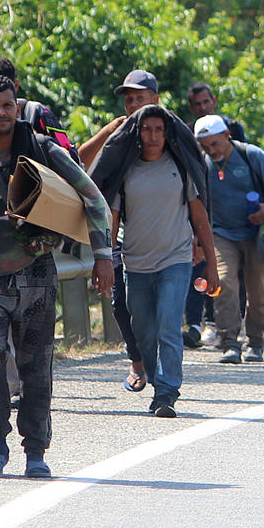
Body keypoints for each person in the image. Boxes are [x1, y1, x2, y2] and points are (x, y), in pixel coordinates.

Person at [0, 75, 114, 478]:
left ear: (16, 106)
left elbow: (93, 198)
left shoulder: (43, 150)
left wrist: (103, 256)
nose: (2, 113)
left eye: (8, 105)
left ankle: (35, 450)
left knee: (36, 365)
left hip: (37, 274)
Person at [93, 105, 216, 415]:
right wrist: (104, 258)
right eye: (146, 129)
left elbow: (200, 219)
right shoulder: (127, 171)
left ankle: (166, 391)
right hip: (136, 263)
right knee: (144, 331)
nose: (152, 136)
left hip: (175, 260)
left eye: (158, 130)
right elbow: (113, 219)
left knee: (169, 326)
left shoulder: (180, 168)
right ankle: (153, 373)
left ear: (166, 133)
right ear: (138, 134)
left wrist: (212, 263)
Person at [80, 71, 159, 382]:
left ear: (155, 99)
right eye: (129, 99)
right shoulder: (117, 135)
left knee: (157, 307)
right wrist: (108, 131)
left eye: (140, 97)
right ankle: (137, 360)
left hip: (160, 232)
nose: (133, 104)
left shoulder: (166, 132)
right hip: (119, 231)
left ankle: (163, 370)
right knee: (120, 301)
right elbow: (79, 163)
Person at [196, 113, 264, 361]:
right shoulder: (201, 164)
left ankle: (256, 340)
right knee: (223, 282)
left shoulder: (252, 155)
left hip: (255, 233)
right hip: (221, 233)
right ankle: (229, 342)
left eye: (214, 144)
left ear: (227, 136)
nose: (210, 150)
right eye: (205, 146)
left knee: (259, 291)